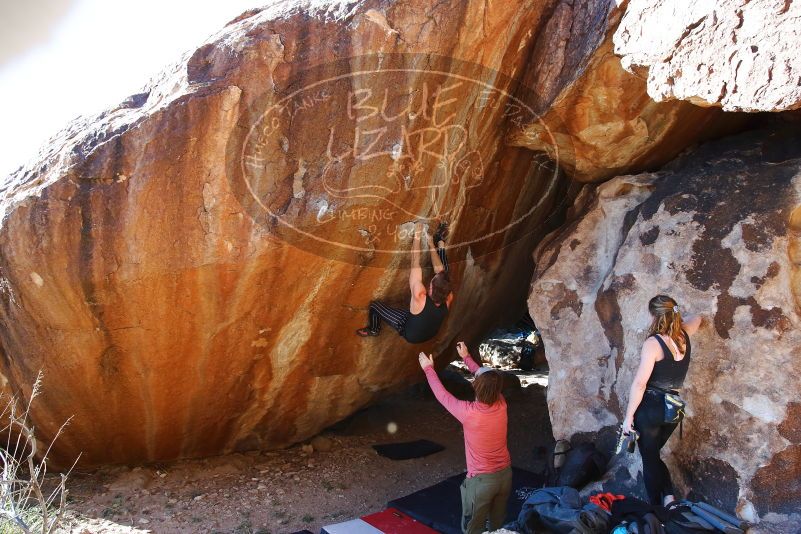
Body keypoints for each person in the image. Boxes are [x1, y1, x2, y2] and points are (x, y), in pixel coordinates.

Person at [418, 342, 511, 534]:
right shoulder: (501, 403)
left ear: (475, 386)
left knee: (472, 529)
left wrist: (428, 369)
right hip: (505, 475)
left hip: (481, 482)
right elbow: (486, 379)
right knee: (497, 527)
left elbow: (442, 395)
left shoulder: (469, 413)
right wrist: (466, 357)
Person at [621, 295, 702, 506]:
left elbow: (640, 384)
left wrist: (628, 417)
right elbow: (699, 318)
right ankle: (669, 498)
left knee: (649, 461)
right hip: (673, 410)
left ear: (653, 316)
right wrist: (678, 323)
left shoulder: (653, 343)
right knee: (653, 455)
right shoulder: (684, 335)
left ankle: (656, 511)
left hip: (651, 408)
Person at [356, 221, 453, 343]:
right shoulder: (448, 298)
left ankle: (374, 329)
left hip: (411, 333)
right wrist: (430, 244)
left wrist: (417, 236)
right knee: (445, 273)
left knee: (375, 306)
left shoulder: (420, 296)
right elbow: (441, 271)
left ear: (430, 288)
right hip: (430, 331)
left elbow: (415, 262)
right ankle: (440, 242)